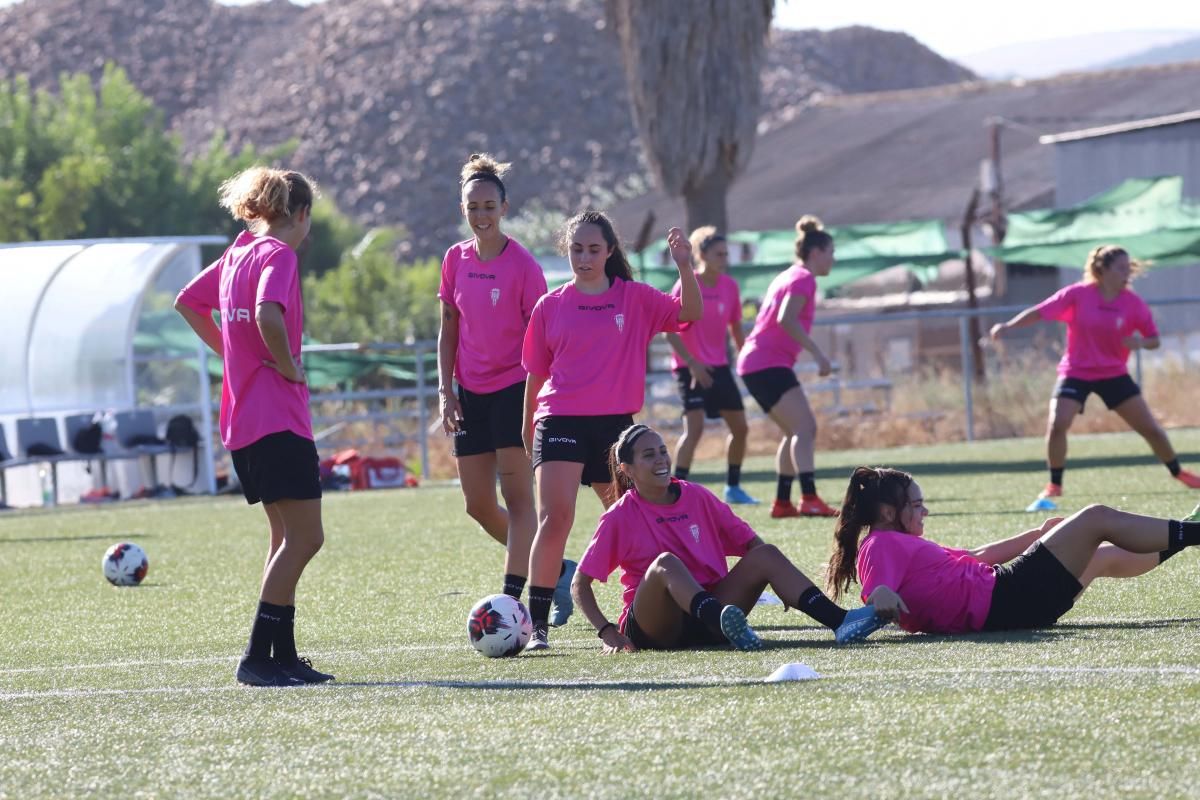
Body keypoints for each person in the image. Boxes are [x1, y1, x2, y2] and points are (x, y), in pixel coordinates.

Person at [175, 166, 332, 687]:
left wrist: (232, 354)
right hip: (278, 419)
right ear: (301, 214)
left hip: (242, 422)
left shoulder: (238, 251)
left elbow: (187, 303)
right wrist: (286, 366)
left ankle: (280, 656)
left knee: (284, 537)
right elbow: (268, 314)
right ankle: (255, 656)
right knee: (306, 539)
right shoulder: (279, 255)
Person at [519, 211, 701, 651]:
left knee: (629, 522)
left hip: (616, 430)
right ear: (567, 250)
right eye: (577, 249)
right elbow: (535, 376)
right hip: (559, 420)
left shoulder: (634, 298)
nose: (584, 257)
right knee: (555, 518)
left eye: (593, 249)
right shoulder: (551, 305)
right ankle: (536, 627)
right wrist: (528, 432)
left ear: (610, 252)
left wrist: (683, 265)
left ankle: (638, 613)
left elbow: (688, 313)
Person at [572, 424, 885, 652]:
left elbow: (752, 545)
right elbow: (580, 584)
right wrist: (606, 631)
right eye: (648, 455)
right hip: (658, 629)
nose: (661, 460)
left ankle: (841, 622)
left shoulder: (696, 496)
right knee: (666, 563)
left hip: (711, 619)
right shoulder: (620, 515)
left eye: (663, 452)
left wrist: (785, 585)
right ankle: (724, 620)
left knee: (767, 554)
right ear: (626, 470)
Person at [826, 466, 1200, 636]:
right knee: (1096, 518)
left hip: (1013, 607)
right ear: (889, 512)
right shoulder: (881, 544)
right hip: (1008, 597)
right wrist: (881, 596)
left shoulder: (901, 543)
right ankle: (1194, 531)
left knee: (1100, 556)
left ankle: (1187, 531)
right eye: (917, 505)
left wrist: (1036, 534)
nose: (925, 511)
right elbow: (877, 592)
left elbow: (977, 556)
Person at [437, 153, 570, 609]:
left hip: (514, 392)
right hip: (468, 394)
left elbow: (541, 336)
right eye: (473, 207)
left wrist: (539, 397)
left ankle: (513, 601)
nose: (481, 215)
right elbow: (448, 328)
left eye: (489, 206)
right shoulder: (454, 260)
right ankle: (555, 567)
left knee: (519, 505)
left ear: (505, 208)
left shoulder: (524, 266)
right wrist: (445, 390)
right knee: (477, 505)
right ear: (463, 210)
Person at [990, 244, 1200, 512]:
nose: (1127, 273)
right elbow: (1040, 311)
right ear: (1102, 270)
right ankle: (1055, 484)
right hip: (1076, 371)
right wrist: (1008, 326)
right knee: (1057, 424)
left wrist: (1140, 342)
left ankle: (1178, 472)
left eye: (1129, 267)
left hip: (1113, 374)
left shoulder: (1132, 303)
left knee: (1150, 429)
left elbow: (1154, 340)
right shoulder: (1078, 295)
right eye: (1121, 268)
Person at [735, 215, 838, 518]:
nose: (833, 258)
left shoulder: (788, 275)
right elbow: (786, 318)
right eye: (831, 252)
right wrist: (818, 354)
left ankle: (782, 502)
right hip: (767, 363)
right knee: (805, 427)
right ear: (816, 252)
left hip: (754, 364)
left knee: (793, 431)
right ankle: (808, 498)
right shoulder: (803, 278)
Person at [665, 226, 757, 505]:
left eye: (726, 254)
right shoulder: (687, 283)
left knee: (740, 428)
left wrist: (746, 358)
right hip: (689, 368)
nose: (724, 258)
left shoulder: (730, 287)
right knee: (694, 429)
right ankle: (674, 489)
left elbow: (735, 328)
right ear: (702, 255)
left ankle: (733, 487)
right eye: (718, 253)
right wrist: (692, 363)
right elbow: (669, 330)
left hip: (719, 367)